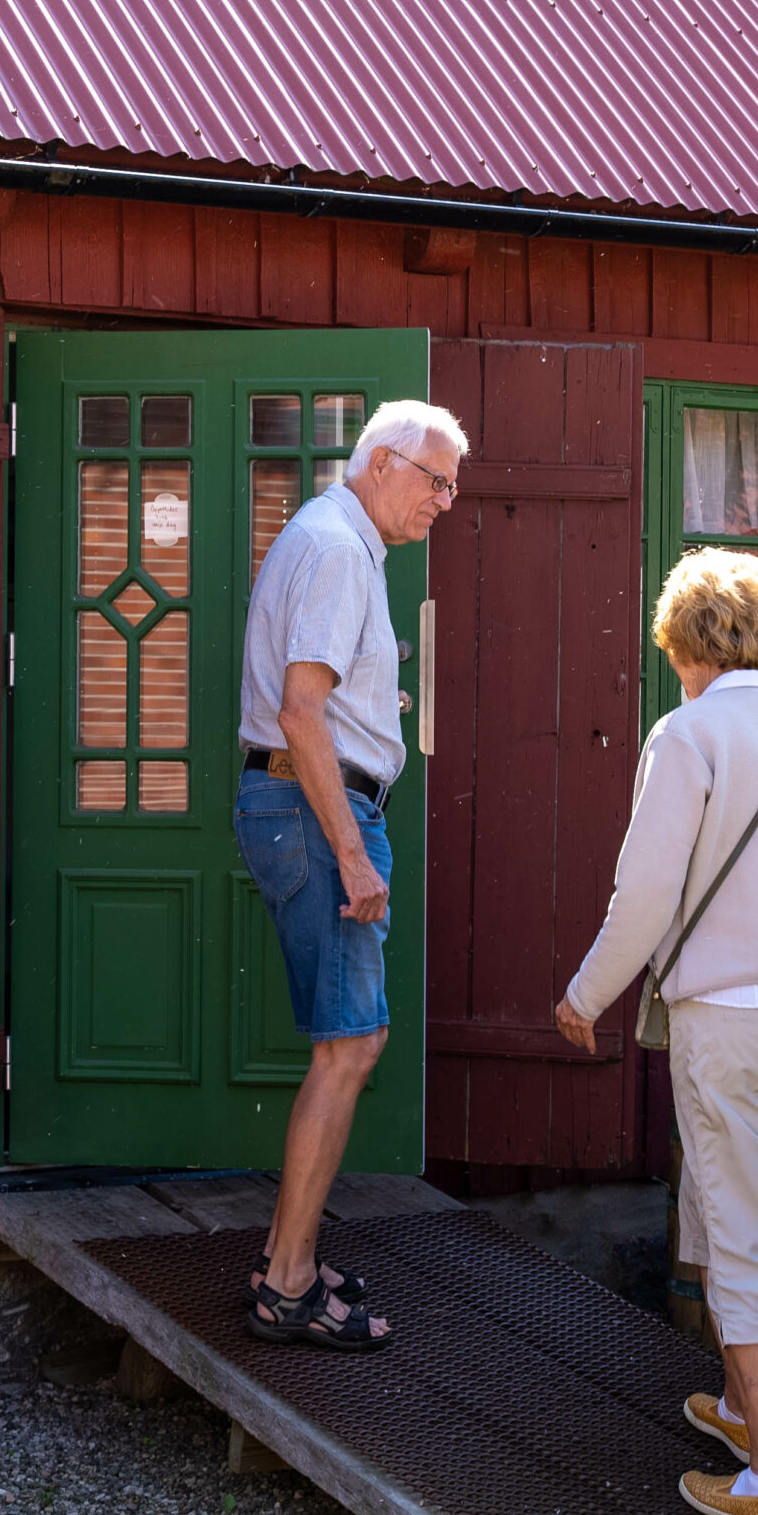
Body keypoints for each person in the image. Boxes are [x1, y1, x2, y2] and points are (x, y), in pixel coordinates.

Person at [553, 549, 758, 1515]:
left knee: (738, 1229)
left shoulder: (686, 736)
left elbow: (645, 892)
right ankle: (734, 1406)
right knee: (730, 1195)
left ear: (680, 640)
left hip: (731, 1014)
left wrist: (583, 994)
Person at [234, 397, 467, 1353]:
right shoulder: (337, 549)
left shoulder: (334, 540)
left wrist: (381, 696)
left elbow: (319, 694)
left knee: (350, 1041)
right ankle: (287, 1286)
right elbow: (298, 712)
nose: (445, 502)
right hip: (312, 812)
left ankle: (289, 1259)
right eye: (436, 480)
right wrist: (351, 853)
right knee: (350, 1047)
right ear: (380, 462)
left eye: (453, 485)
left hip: (300, 803)